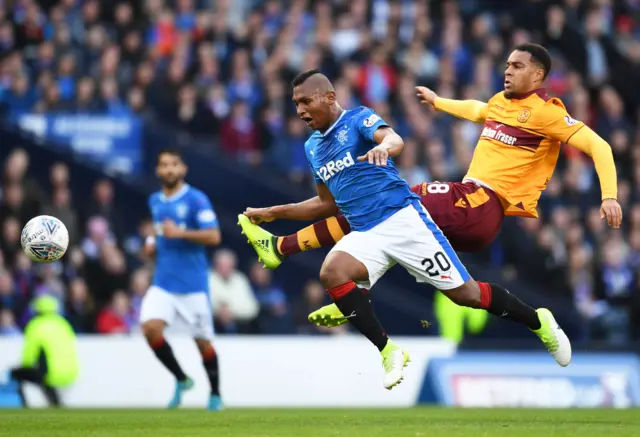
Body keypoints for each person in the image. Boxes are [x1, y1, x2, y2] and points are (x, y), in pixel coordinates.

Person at [239, 43, 621, 326]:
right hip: (471, 209)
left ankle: (285, 248)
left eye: (517, 66)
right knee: (448, 279)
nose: (507, 70)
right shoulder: (502, 103)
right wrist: (440, 102)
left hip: (484, 201)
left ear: (538, 75)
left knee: (399, 198)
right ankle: (539, 322)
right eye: (506, 64)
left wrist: (609, 196)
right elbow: (478, 110)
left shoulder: (548, 114)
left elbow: (598, 145)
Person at [239, 68, 571, 390]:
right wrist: (273, 212)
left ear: (329, 97)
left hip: (404, 221)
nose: (300, 110)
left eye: (305, 102)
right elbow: (325, 204)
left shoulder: (357, 119)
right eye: (295, 104)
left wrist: (384, 147)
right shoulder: (313, 147)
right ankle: (389, 351)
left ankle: (538, 321)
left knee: (467, 295)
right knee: (332, 272)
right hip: (366, 231)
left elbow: (393, 138)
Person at [141, 149, 223, 410]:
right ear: (157, 170)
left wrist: (182, 233)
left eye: (173, 165)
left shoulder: (197, 199)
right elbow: (158, 229)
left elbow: (214, 237)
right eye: (164, 165)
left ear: (183, 169)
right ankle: (181, 378)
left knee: (202, 342)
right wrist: (152, 242)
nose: (169, 170)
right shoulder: (155, 200)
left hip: (193, 285)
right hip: (163, 281)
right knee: (150, 328)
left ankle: (215, 394)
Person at [9, 295, 79, 407]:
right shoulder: (64, 324)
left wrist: (25, 366)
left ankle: (24, 406)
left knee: (16, 373)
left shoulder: (35, 325)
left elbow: (29, 356)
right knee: (43, 374)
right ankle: (55, 402)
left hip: (51, 373)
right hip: (71, 373)